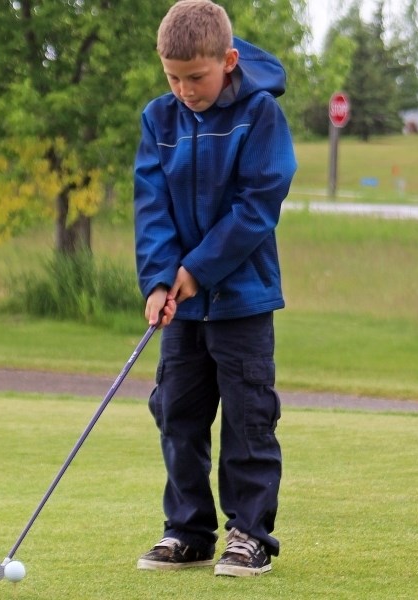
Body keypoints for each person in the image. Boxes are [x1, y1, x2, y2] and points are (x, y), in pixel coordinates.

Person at [133, 0, 297, 577]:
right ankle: (187, 531)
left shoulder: (259, 115)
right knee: (176, 412)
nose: (184, 89)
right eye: (172, 77)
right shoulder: (159, 119)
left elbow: (257, 208)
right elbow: (150, 206)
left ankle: (249, 535)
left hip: (243, 301)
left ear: (228, 60)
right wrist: (158, 279)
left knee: (249, 418)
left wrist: (198, 268)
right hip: (180, 311)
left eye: (195, 77)